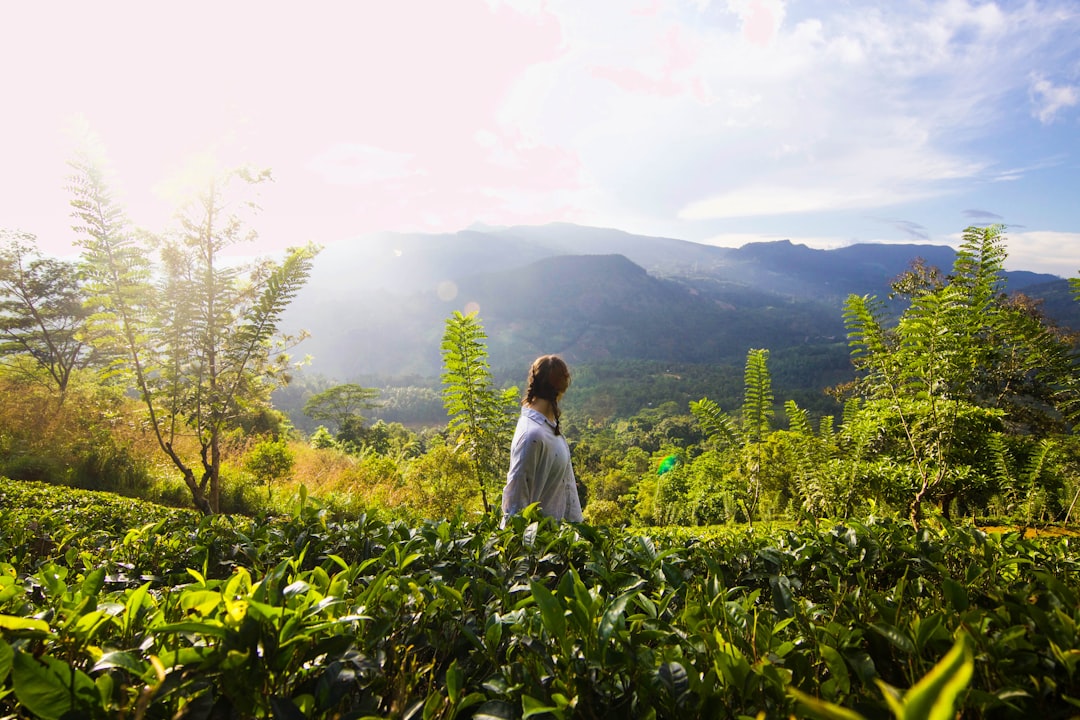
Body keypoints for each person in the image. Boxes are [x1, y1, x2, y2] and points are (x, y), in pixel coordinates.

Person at [501, 354, 583, 525]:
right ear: (563, 386)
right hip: (538, 545)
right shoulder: (532, 435)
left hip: (555, 543)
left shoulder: (547, 428)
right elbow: (515, 504)